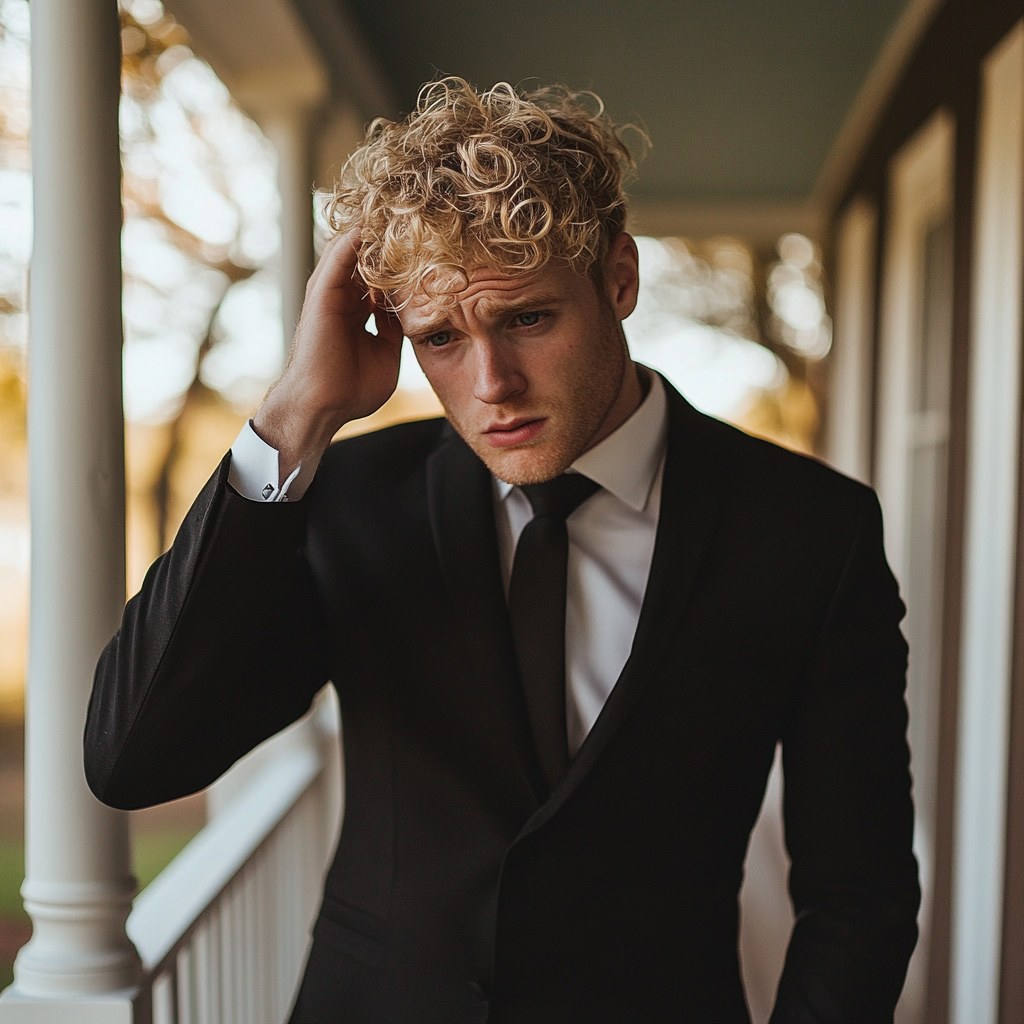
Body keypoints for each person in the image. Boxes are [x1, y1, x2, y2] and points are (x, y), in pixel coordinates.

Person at [85, 78, 919, 1023]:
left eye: (527, 318)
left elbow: (861, 891)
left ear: (619, 278)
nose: (492, 384)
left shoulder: (812, 529)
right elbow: (132, 760)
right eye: (440, 337)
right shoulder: (346, 500)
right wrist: (293, 417)